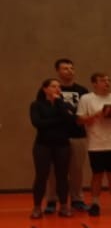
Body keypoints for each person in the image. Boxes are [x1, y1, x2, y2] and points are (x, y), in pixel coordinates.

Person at [76, 72, 111, 216]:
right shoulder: (86, 99)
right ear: (94, 83)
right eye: (102, 80)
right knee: (97, 174)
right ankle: (95, 203)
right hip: (96, 143)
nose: (107, 83)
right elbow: (80, 120)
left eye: (108, 80)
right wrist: (97, 115)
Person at [43, 58, 89, 212]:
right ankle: (52, 200)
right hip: (56, 136)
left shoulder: (82, 91)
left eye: (71, 68)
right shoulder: (51, 89)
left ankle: (77, 199)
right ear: (57, 71)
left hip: (77, 135)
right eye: (65, 68)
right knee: (53, 171)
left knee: (77, 170)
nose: (69, 71)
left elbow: (84, 112)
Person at [30, 78, 78, 219]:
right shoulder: (37, 105)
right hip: (43, 144)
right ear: (45, 89)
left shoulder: (64, 104)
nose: (57, 89)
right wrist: (59, 120)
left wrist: (59, 103)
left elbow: (71, 120)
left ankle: (63, 206)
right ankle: (37, 207)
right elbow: (38, 123)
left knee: (62, 176)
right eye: (53, 86)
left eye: (59, 87)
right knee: (41, 176)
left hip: (62, 144)